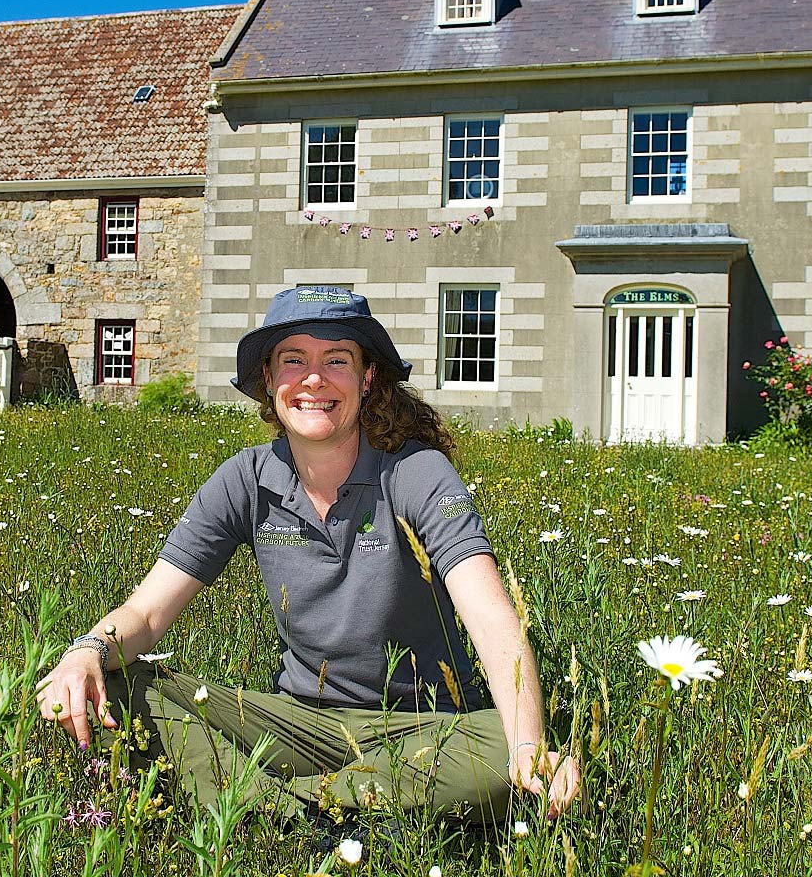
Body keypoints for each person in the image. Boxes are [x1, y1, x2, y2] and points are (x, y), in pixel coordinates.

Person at [35, 285, 581, 827]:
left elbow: (490, 615)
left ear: (367, 379)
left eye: (336, 359)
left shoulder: (417, 472)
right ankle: (333, 810)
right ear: (270, 379)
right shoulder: (246, 479)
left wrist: (527, 743)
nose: (314, 378)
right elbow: (147, 614)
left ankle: (264, 810)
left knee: (512, 756)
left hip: (423, 729)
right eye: (294, 359)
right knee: (115, 685)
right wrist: (85, 653)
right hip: (295, 723)